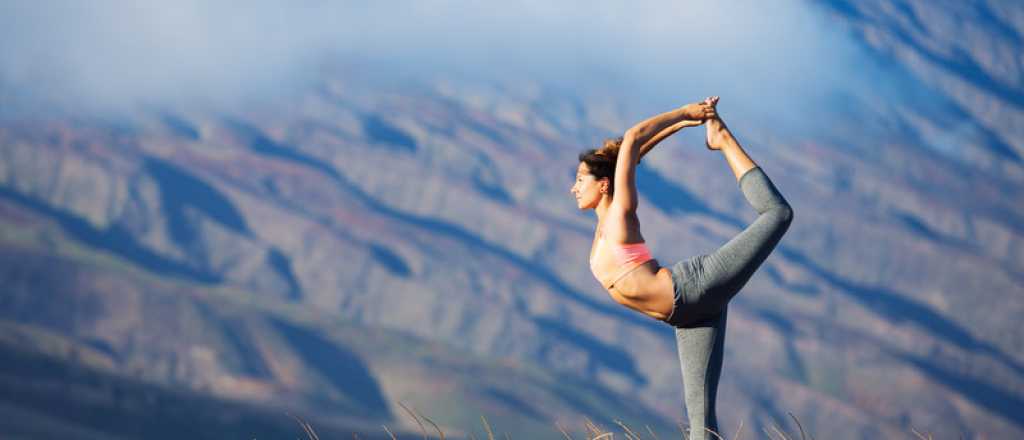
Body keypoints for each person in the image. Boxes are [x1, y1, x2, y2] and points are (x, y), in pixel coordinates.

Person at [570, 97, 793, 439]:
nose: (574, 188)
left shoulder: (620, 216)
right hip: (687, 317)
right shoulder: (601, 231)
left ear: (603, 186)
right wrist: (678, 127)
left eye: (580, 180)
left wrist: (686, 114)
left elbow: (632, 139)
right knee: (701, 424)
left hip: (693, 287)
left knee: (778, 214)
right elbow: (632, 152)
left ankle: (722, 140)